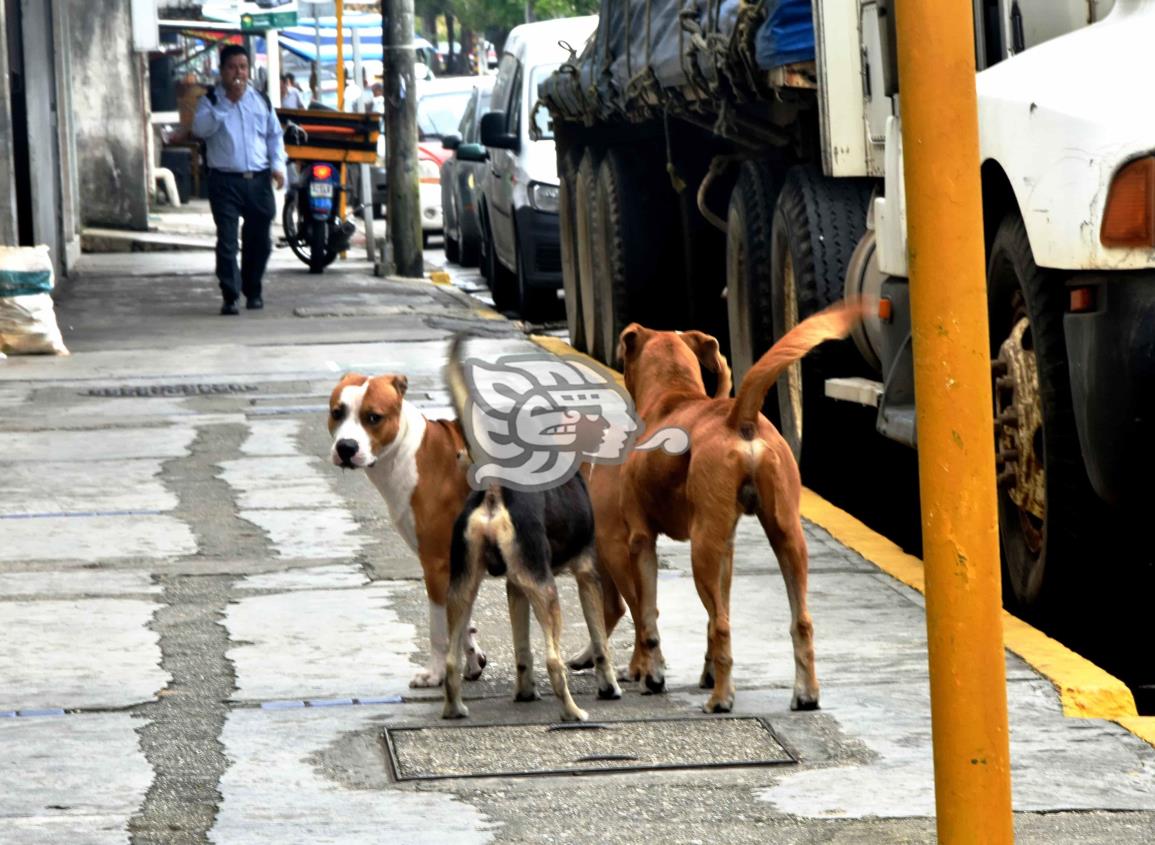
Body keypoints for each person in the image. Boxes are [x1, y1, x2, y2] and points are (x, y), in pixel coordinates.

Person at [192, 45, 286, 315]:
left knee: (260, 240)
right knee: (228, 241)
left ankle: (253, 288)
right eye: (233, 67)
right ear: (222, 71)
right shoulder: (210, 101)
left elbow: (274, 135)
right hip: (224, 181)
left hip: (258, 179)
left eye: (243, 67)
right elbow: (200, 129)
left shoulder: (260, 100)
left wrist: (278, 166)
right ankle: (230, 295)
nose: (239, 73)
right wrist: (226, 104)